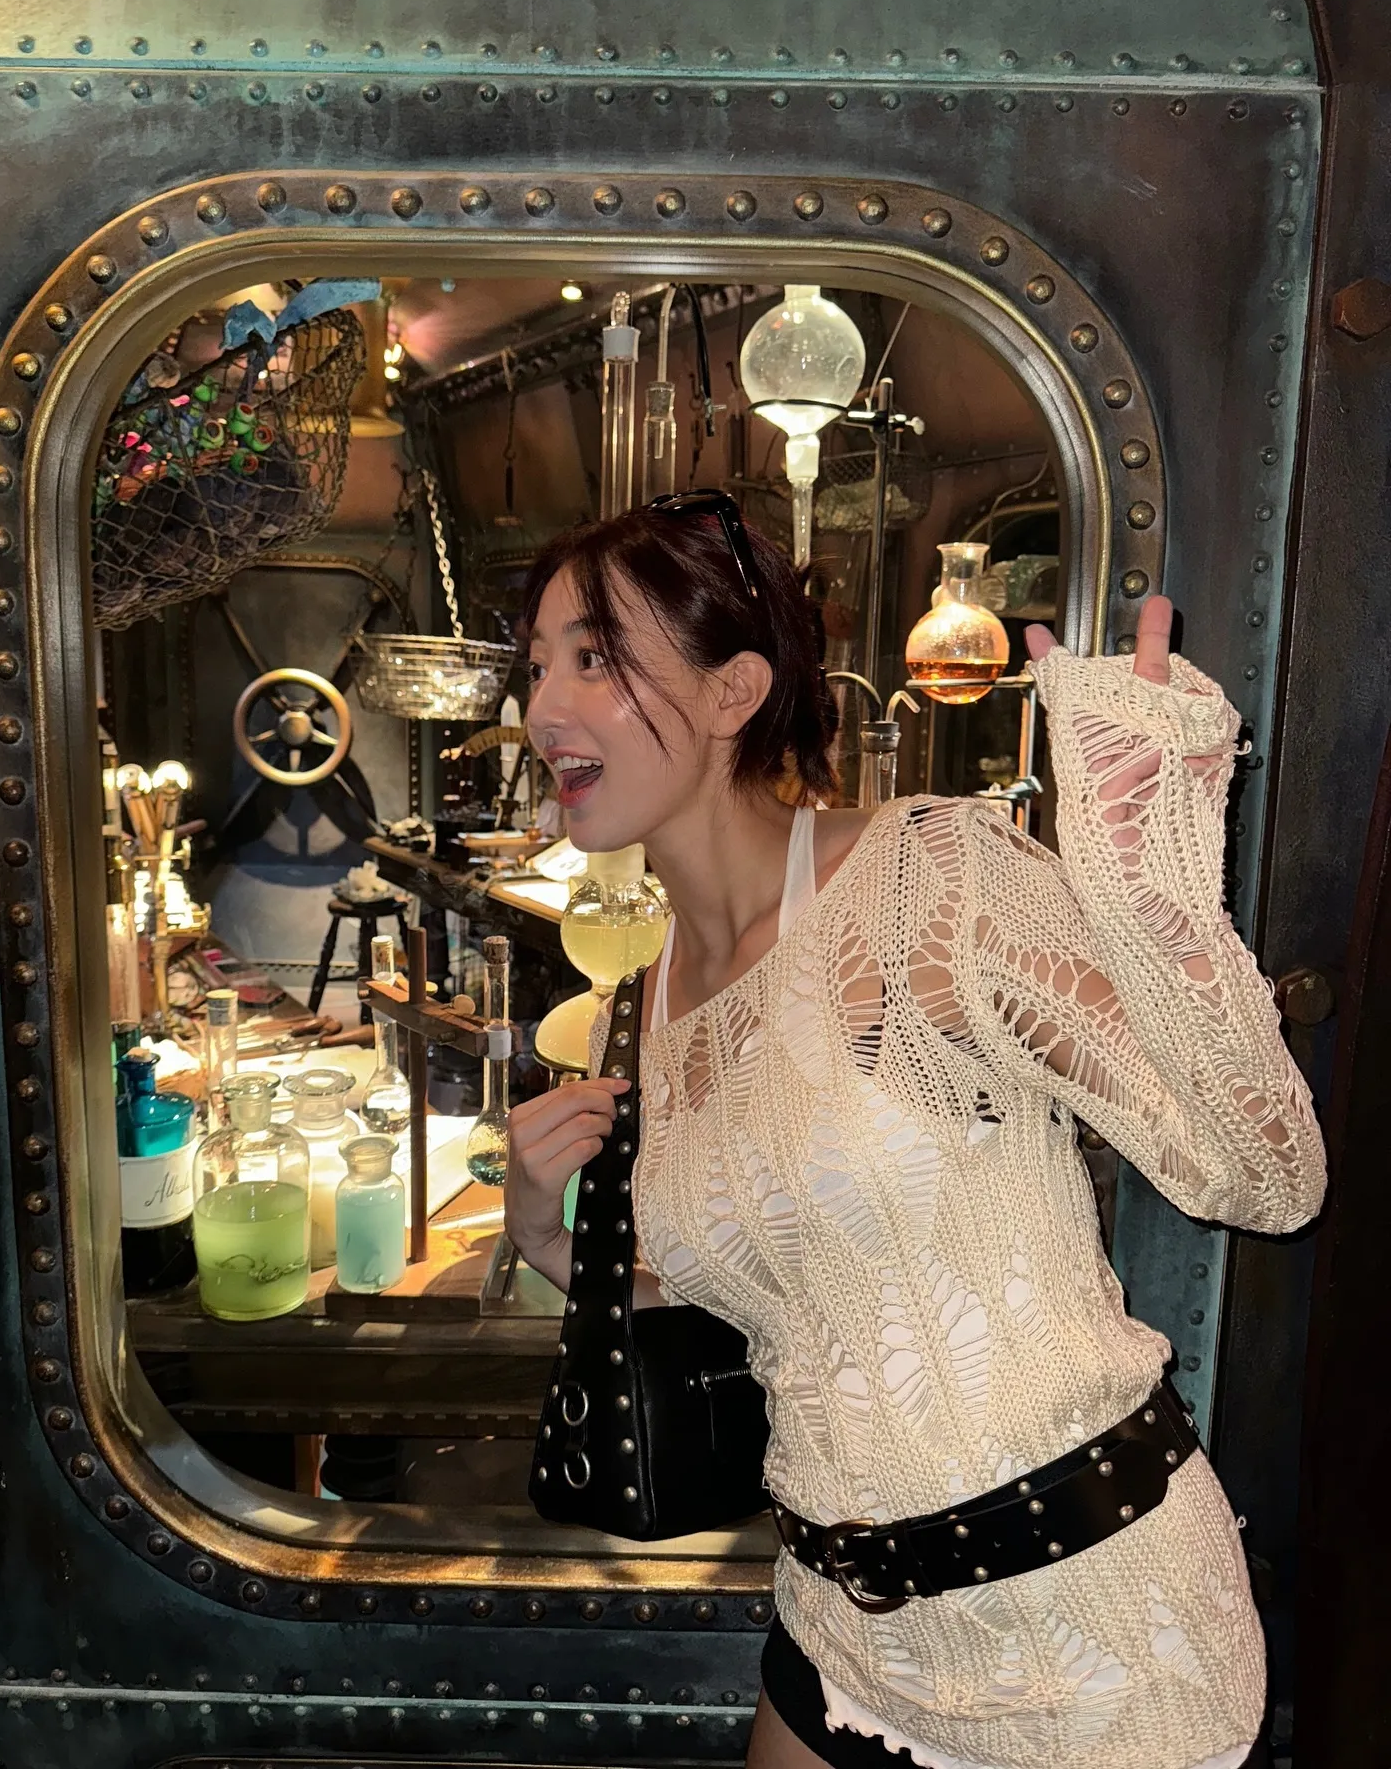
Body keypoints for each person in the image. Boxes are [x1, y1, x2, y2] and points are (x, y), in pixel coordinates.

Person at [505, 495, 1325, 1769]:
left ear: (733, 692)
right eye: (538, 664)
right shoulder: (648, 1001)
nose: (543, 708)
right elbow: (790, 1292)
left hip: (1093, 1633)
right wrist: (558, 1246)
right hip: (844, 1622)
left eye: (596, 658)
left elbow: (1266, 1178)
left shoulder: (927, 880)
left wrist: (1145, 865)